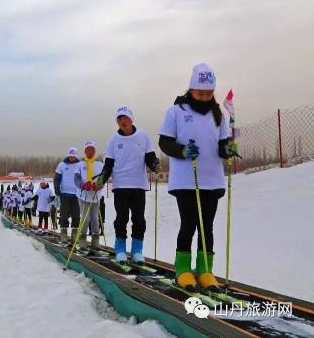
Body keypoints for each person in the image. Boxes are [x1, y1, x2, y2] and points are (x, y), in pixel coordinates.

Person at [158, 63, 237, 290]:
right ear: (191, 89)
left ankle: (205, 270)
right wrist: (182, 150)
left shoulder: (218, 114)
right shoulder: (176, 112)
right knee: (189, 223)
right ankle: (182, 270)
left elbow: (221, 144)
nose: (204, 97)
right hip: (186, 179)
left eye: (209, 93)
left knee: (207, 226)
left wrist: (228, 149)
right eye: (200, 93)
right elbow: (165, 142)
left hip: (212, 179)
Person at [100, 106, 161, 264]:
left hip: (138, 185)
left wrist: (155, 165)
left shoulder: (143, 137)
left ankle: (137, 250)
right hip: (120, 185)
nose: (122, 121)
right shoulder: (113, 140)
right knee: (121, 218)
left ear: (131, 119)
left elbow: (150, 157)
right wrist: (100, 181)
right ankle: (120, 249)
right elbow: (108, 165)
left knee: (139, 219)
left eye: (125, 117)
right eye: (119, 119)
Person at [74, 141, 104, 252]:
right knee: (85, 218)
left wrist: (99, 185)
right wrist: (82, 185)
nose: (90, 151)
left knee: (95, 218)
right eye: (88, 149)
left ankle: (95, 242)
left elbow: (102, 178)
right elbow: (76, 179)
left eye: (92, 149)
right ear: (85, 151)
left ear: (94, 151)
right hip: (83, 196)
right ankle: (82, 241)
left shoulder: (100, 164)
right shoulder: (80, 164)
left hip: (95, 196)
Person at [54, 147, 81, 242]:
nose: (72, 158)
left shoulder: (80, 164)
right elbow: (57, 178)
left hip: (77, 195)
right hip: (65, 194)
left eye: (73, 156)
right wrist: (57, 189)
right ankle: (64, 234)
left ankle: (75, 234)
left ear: (76, 156)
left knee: (76, 215)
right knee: (64, 215)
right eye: (70, 156)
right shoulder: (61, 165)